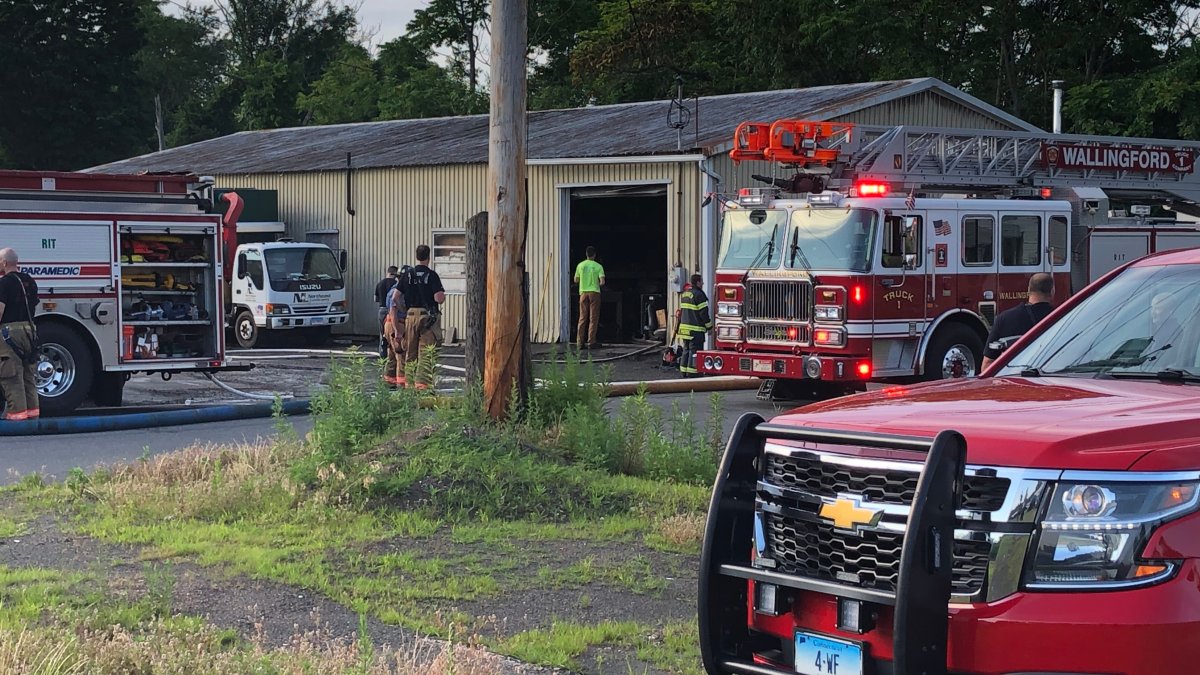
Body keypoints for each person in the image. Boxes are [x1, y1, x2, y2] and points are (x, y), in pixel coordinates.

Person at [981, 272, 1055, 370]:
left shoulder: (1004, 319)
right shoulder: (1064, 319)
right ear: (1052, 291)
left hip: (1015, 380)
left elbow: (987, 364)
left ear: (1029, 290)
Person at [0, 248, 40, 420]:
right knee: (28, 376)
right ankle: (33, 417)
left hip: (10, 333)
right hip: (30, 331)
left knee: (12, 377)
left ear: (3, 263)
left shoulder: (4, 283)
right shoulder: (30, 281)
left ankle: (17, 419)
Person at [399, 246, 445, 389]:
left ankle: (409, 386)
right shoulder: (431, 275)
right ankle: (423, 388)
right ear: (428, 257)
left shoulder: (407, 274)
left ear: (416, 256)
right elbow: (438, 298)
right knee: (426, 353)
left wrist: (405, 311)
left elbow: (395, 297)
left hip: (410, 315)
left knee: (410, 352)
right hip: (427, 318)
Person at [381, 265, 412, 387]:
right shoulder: (398, 292)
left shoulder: (392, 290)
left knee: (392, 355)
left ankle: (389, 382)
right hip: (396, 323)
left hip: (389, 324)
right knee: (401, 355)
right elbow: (394, 311)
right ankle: (402, 385)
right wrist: (398, 331)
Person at [678, 274, 713, 378]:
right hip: (695, 329)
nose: (702, 283)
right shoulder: (699, 295)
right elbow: (703, 313)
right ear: (697, 282)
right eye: (701, 281)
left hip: (684, 329)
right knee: (695, 351)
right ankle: (693, 373)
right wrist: (709, 326)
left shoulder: (685, 294)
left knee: (686, 350)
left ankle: (683, 371)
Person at [573, 246, 605, 349]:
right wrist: (596, 283)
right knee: (593, 318)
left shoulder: (580, 265)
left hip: (583, 293)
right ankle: (591, 342)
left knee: (582, 318)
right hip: (594, 293)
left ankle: (579, 343)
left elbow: (576, 280)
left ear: (586, 254)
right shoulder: (598, 266)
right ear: (594, 255)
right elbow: (602, 282)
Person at [375, 265, 399, 356]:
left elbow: (375, 299)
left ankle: (382, 353)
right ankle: (392, 352)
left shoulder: (380, 283)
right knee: (391, 331)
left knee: (382, 333)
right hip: (391, 310)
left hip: (381, 310)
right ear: (395, 274)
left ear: (388, 272)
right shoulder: (396, 284)